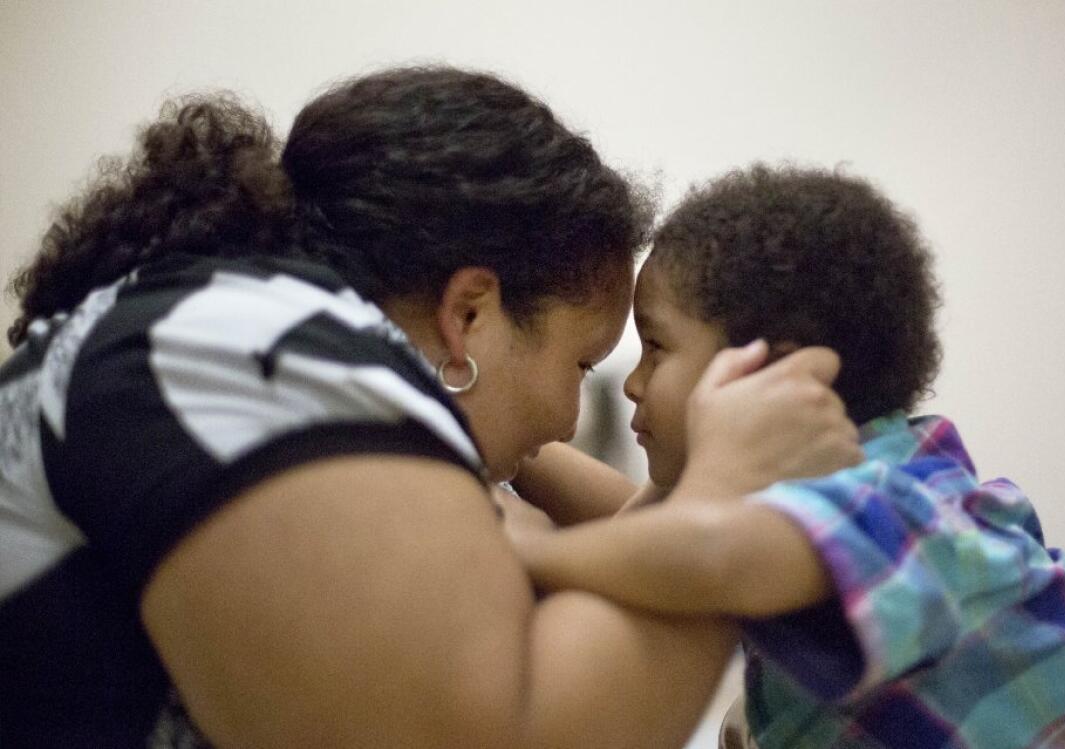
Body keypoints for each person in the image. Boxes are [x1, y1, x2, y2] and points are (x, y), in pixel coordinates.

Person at [0, 70, 865, 748]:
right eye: (582, 362)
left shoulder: (216, 341)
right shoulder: (250, 342)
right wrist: (735, 494)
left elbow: (555, 543)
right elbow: (500, 733)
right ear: (471, 313)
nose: (570, 418)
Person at [510, 165, 1065, 747]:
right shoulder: (843, 486)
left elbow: (705, 555)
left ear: (768, 373)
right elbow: (643, 526)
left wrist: (498, 551)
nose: (632, 382)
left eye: (656, 347)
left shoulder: (895, 501)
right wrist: (516, 454)